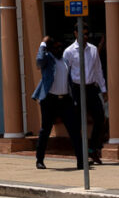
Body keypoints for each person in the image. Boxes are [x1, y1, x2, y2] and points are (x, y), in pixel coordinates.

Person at [32, 36, 83, 170]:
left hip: (65, 100)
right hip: (50, 99)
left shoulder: (65, 61)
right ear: (51, 49)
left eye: (61, 47)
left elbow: (69, 80)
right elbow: (39, 61)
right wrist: (43, 43)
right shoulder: (47, 59)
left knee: (74, 130)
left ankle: (81, 161)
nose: (59, 50)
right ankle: (39, 160)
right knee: (45, 130)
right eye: (56, 47)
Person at [63, 25, 107, 164]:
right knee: (77, 122)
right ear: (76, 33)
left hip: (91, 88)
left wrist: (103, 89)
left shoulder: (93, 49)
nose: (85, 37)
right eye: (83, 34)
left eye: (87, 34)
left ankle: (93, 148)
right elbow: (65, 73)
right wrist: (65, 92)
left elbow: (98, 70)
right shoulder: (69, 51)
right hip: (76, 89)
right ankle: (81, 154)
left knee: (100, 118)